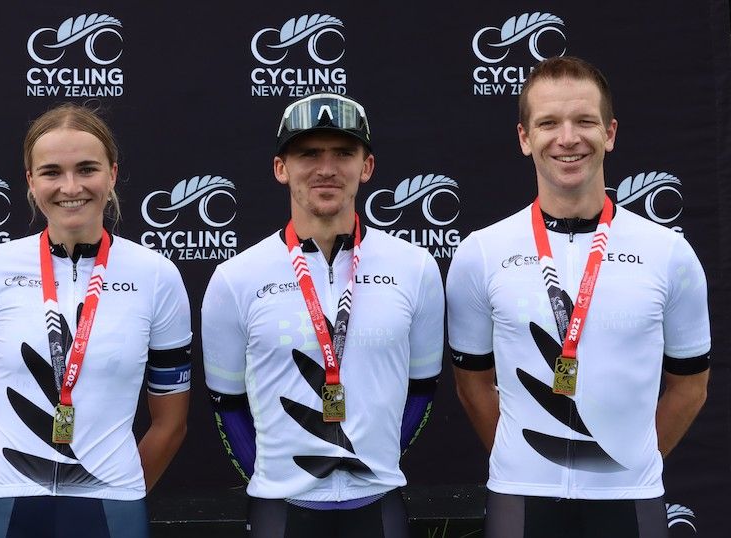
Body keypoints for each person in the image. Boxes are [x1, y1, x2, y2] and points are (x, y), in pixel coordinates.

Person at [446, 56, 711, 537]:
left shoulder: (669, 253)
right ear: (526, 138)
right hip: (520, 497)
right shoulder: (480, 254)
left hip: (630, 500)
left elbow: (690, 386)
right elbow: (472, 386)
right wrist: (524, 457)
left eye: (584, 121)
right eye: (548, 123)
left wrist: (629, 458)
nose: (567, 138)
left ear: (609, 133)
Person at [202, 93, 444, 537]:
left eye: (343, 153)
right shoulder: (235, 277)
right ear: (281, 168)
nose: (326, 169)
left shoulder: (415, 267)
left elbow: (423, 390)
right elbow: (226, 404)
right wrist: (283, 478)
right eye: (309, 154)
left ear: (366, 167)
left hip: (379, 505)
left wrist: (368, 463)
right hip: (281, 510)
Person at [0, 103, 192, 538]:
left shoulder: (155, 275)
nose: (70, 186)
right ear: (30, 181)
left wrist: (122, 484)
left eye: (87, 169)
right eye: (52, 172)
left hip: (112, 502)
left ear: (112, 174)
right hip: (2, 501)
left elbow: (170, 422)